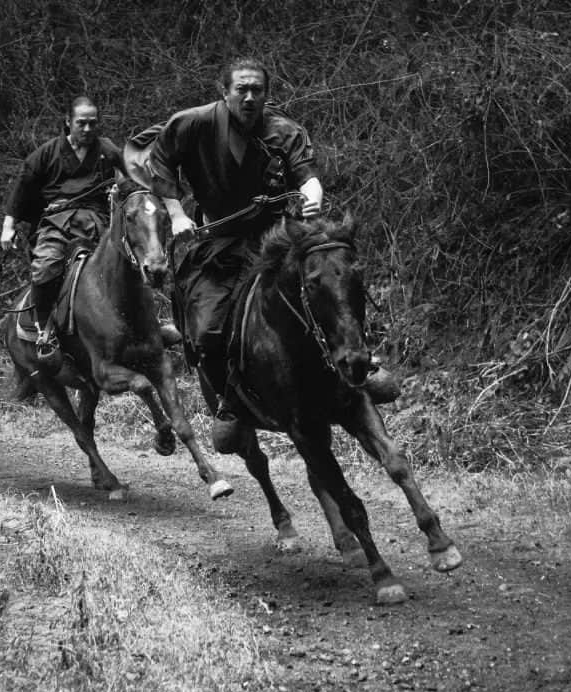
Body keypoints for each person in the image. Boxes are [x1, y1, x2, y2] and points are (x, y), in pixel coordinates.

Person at [141, 57, 397, 452]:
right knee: (208, 328)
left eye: (256, 90)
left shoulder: (284, 131)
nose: (248, 96)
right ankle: (228, 400)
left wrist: (312, 199)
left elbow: (307, 177)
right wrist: (176, 216)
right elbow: (160, 167)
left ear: (266, 94)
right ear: (223, 91)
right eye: (240, 89)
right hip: (219, 243)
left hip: (277, 238)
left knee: (332, 284)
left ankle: (363, 362)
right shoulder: (191, 124)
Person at [0, 96, 125, 361]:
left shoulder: (107, 150)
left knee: (131, 262)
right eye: (82, 123)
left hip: (98, 223)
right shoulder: (47, 153)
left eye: (93, 123)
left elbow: (132, 176)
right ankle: (44, 328)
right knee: (45, 267)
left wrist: (120, 189)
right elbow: (21, 188)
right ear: (68, 122)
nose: (88, 129)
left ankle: (146, 326)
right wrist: (8, 227)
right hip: (57, 224)